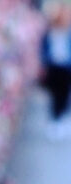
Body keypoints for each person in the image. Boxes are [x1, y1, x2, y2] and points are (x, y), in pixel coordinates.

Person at [41, 3, 71, 139]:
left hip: (66, 67)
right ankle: (54, 119)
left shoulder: (68, 33)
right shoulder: (50, 31)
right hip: (54, 67)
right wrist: (44, 63)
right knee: (54, 94)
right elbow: (44, 48)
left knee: (64, 94)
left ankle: (61, 118)